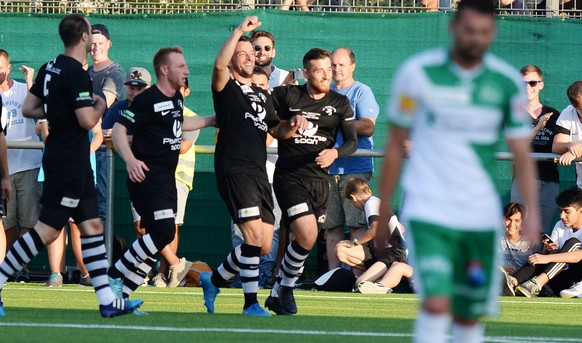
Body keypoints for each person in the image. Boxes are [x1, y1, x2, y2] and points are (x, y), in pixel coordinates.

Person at [377, 0, 541, 342]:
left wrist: (534, 212)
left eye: (483, 31)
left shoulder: (505, 84)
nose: (474, 37)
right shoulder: (418, 74)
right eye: (468, 29)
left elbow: (521, 154)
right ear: (454, 28)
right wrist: (383, 209)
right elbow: (395, 143)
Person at [0, 14, 142, 317]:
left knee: (92, 226)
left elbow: (29, 107)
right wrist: (102, 102)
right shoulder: (76, 72)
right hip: (68, 160)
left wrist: (58, 110)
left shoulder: (50, 66)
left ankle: (107, 301)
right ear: (83, 38)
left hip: (71, 158)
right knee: (47, 230)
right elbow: (88, 120)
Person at [199, 16, 307, 317]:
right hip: (234, 169)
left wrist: (293, 124)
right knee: (251, 238)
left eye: (251, 54)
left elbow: (277, 130)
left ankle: (214, 279)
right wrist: (238, 32)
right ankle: (250, 304)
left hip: (260, 173)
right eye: (242, 54)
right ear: (233, 59)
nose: (248, 57)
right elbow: (219, 67)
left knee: (261, 245)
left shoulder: (262, 94)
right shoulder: (226, 87)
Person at [109, 46, 215, 303]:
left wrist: (211, 119)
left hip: (166, 179)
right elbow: (119, 129)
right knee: (164, 233)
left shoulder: (175, 99)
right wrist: (131, 160)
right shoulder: (146, 99)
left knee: (158, 237)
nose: (187, 70)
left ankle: (119, 299)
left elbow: (179, 124)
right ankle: (113, 276)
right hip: (146, 178)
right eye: (181, 66)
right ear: (164, 70)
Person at [264, 47, 357, 316]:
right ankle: (288, 289)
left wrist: (336, 152)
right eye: (319, 71)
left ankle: (277, 291)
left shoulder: (341, 103)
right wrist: (289, 123)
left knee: (308, 238)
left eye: (329, 69)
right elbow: (270, 123)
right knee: (306, 233)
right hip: (289, 176)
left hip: (320, 182)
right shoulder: (287, 94)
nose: (327, 75)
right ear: (305, 73)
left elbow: (352, 141)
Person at [323, 47, 379, 271]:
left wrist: (336, 122)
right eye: (333, 65)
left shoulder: (362, 92)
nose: (336, 69)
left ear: (352, 67)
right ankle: (333, 278)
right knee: (331, 226)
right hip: (326, 169)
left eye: (341, 64)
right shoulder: (323, 92)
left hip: (355, 168)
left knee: (356, 225)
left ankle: (358, 276)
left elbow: (368, 126)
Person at [0, 50, 41, 282]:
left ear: (8, 67)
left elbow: (39, 111)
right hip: (4, 168)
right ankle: (9, 265)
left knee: (29, 221)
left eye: (1, 67)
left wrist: (29, 82)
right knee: (6, 223)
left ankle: (19, 265)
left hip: (28, 164)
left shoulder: (24, 89)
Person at [335, 177, 411, 294]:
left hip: (393, 253)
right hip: (379, 252)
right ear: (368, 190)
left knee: (360, 284)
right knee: (341, 249)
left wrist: (355, 243)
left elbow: (374, 229)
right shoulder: (374, 203)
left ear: (353, 198)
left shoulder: (372, 203)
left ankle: (379, 280)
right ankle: (377, 275)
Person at [510, 65, 560, 234]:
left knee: (541, 231)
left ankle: (538, 261)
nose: (527, 88)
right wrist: (538, 126)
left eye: (532, 83)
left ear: (541, 85)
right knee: (519, 229)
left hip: (549, 178)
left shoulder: (554, 114)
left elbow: (561, 143)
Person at [510, 187, 582, 298]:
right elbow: (551, 258)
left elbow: (579, 255)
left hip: (577, 277)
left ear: (580, 211)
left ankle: (537, 284)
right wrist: (547, 251)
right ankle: (512, 282)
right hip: (559, 276)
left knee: (574, 243)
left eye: (567, 211)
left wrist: (547, 258)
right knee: (538, 257)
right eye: (561, 211)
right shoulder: (559, 225)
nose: (562, 216)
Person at [88, 23, 125, 225]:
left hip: (102, 149)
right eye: (92, 43)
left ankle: (102, 255)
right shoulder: (82, 72)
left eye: (100, 43)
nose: (96, 47)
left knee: (100, 207)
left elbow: (101, 105)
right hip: (82, 145)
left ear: (108, 44)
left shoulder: (115, 73)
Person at [498, 202, 537, 296]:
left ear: (522, 223)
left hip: (522, 281)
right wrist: (502, 269)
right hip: (500, 279)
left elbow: (534, 267)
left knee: (536, 259)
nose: (512, 224)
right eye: (508, 219)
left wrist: (519, 274)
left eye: (516, 220)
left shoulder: (531, 241)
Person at [553, 81, 582, 186]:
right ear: (574, 106)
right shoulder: (568, 112)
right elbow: (556, 147)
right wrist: (569, 145)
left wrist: (575, 152)